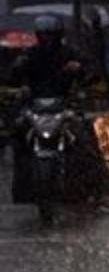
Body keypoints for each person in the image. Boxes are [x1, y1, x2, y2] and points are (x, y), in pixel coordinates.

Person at [10, 16, 92, 202]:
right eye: (44, 35)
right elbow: (12, 76)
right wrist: (18, 78)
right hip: (36, 107)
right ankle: (23, 187)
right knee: (18, 137)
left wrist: (79, 71)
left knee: (83, 140)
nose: (48, 39)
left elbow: (89, 72)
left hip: (64, 105)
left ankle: (87, 185)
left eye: (51, 35)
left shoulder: (69, 53)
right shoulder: (29, 55)